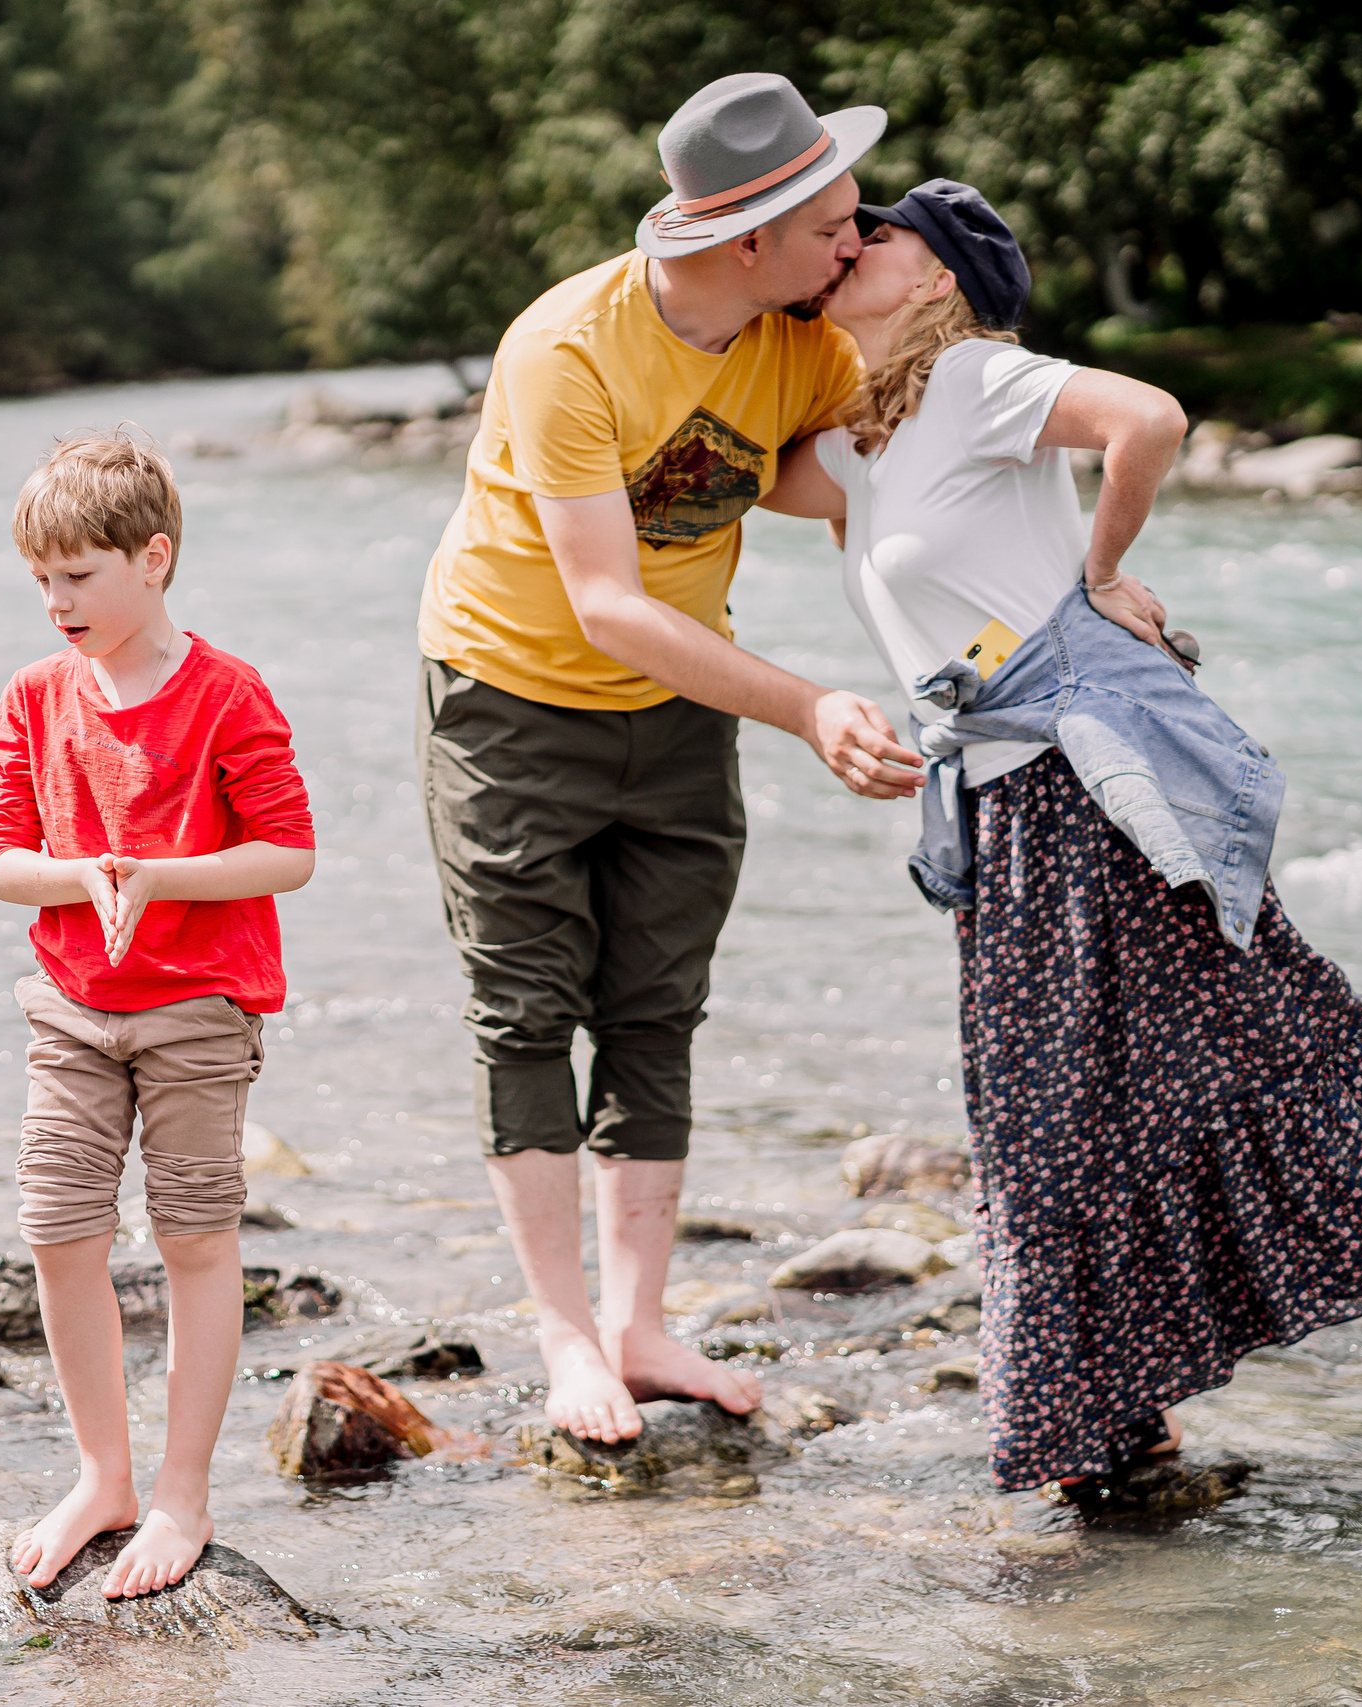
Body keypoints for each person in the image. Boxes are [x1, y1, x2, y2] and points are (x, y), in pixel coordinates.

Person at [764, 178, 1362, 1491]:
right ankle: (1117, 1417)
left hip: (1085, 790)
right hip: (1007, 810)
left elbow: (1151, 417)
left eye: (873, 235)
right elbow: (740, 471)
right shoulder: (864, 438)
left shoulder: (978, 383)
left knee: (1183, 1079)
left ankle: (1095, 1418)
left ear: (939, 277)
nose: (849, 245)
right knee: (1071, 1114)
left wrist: (1104, 569)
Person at [414, 72, 923, 1446]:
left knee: (655, 1005)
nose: (857, 240)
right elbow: (609, 605)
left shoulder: (797, 344)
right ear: (745, 237)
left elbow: (862, 494)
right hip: (511, 697)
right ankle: (565, 1329)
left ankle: (640, 1322)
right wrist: (813, 704)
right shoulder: (565, 348)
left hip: (681, 708)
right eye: (833, 219)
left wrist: (1087, 580)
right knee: (527, 1011)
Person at [0, 431, 316, 1597]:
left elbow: (289, 854)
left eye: (78, 576)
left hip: (198, 1012)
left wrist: (159, 877)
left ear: (153, 559)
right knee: (57, 1231)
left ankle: (181, 1494)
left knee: (194, 1240)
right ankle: (101, 1476)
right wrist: (85, 876)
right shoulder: (34, 695)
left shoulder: (227, 693)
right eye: (41, 581)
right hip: (70, 1007)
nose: (57, 601)